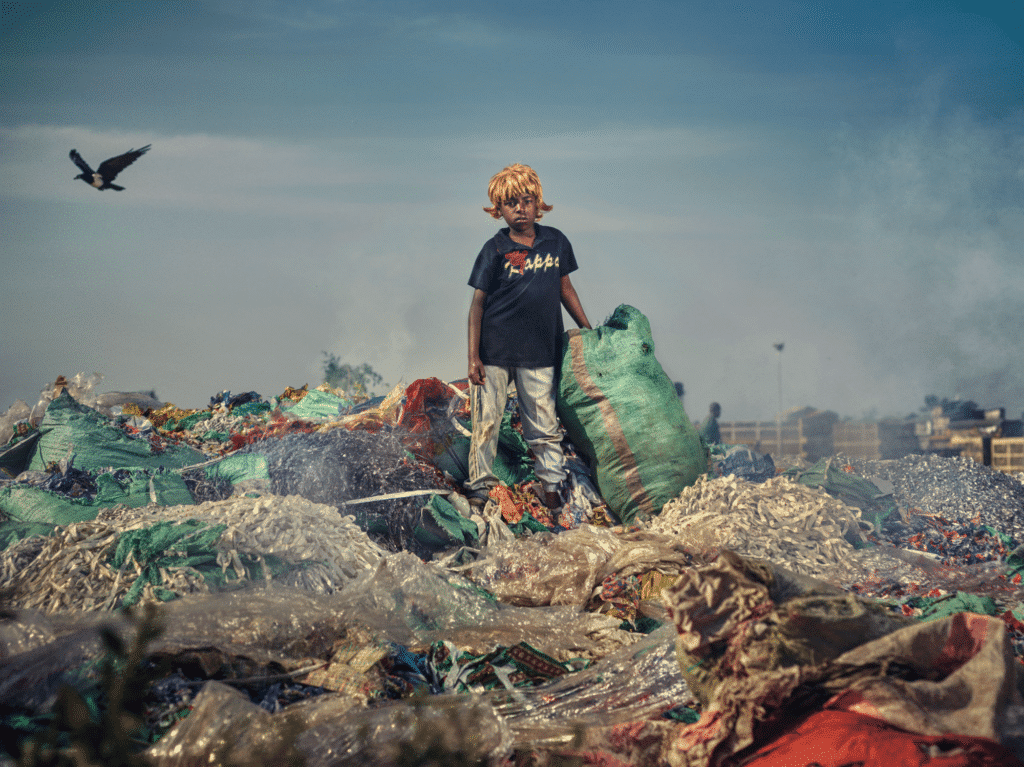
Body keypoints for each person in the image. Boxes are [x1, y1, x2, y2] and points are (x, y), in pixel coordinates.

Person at [466, 163, 591, 510]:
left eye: (527, 200)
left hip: (539, 352)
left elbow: (566, 289)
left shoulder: (555, 242)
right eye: (510, 204)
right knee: (487, 422)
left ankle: (550, 488)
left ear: (539, 203)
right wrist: (473, 357)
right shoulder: (495, 249)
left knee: (544, 424)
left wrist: (587, 330)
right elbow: (477, 305)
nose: (520, 209)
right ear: (498, 211)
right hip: (494, 351)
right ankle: (479, 488)